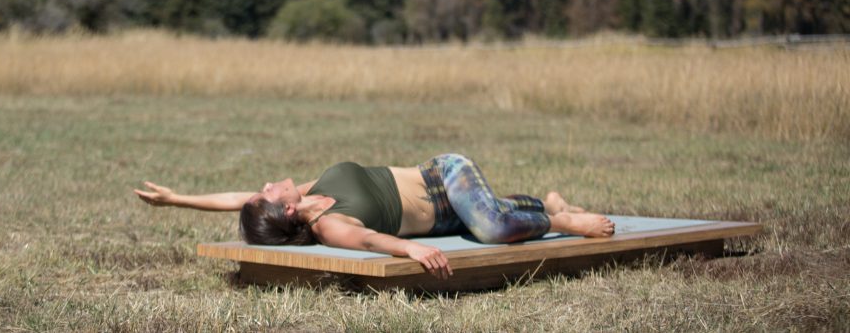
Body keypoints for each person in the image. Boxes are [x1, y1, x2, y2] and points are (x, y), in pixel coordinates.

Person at [134, 153, 615, 280]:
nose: (262, 185)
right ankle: (553, 210)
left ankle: (560, 220)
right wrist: (409, 247)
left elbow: (235, 198)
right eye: (265, 194)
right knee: (487, 217)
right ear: (284, 209)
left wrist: (176, 199)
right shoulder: (327, 225)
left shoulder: (309, 192)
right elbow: (367, 243)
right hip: (446, 220)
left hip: (444, 175)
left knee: (489, 224)